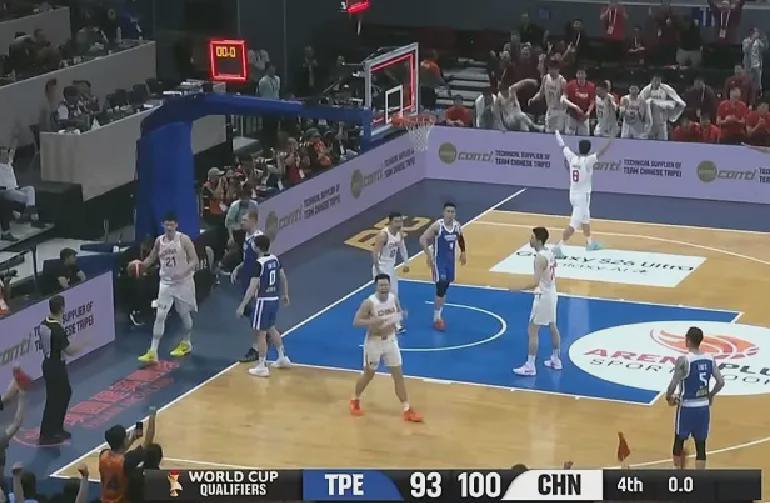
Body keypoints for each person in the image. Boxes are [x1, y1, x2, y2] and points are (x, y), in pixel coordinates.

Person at [349, 274, 422, 422]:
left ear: (389, 286)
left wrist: (402, 316)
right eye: (381, 285)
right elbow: (356, 322)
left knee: (398, 375)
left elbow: (398, 312)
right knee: (368, 375)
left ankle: (407, 409)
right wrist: (372, 321)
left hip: (390, 341)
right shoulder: (369, 303)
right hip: (374, 343)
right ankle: (355, 399)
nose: (384, 288)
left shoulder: (393, 298)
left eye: (386, 285)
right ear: (376, 286)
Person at [138, 213, 199, 363]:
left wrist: (183, 272)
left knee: (184, 315)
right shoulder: (159, 241)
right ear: (162, 225)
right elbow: (152, 257)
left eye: (172, 225)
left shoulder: (184, 240)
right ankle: (153, 351)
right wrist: (140, 265)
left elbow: (194, 260)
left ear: (176, 224)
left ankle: (186, 342)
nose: (169, 228)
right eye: (167, 225)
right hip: (166, 283)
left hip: (183, 282)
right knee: (160, 315)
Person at [664, 326, 725, 470]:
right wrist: (711, 395)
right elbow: (721, 382)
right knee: (701, 446)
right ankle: (700, 478)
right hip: (703, 408)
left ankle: (677, 474)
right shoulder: (710, 359)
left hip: (686, 408)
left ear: (688, 340)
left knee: (679, 441)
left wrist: (668, 396)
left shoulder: (684, 360)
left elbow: (673, 383)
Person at [552, 131, 613, 259]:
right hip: (582, 198)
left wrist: (557, 133)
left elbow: (562, 145)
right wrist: (610, 140)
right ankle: (558, 247)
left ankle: (589, 243)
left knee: (586, 219)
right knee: (573, 225)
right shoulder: (588, 161)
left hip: (574, 194)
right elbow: (601, 152)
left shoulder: (572, 157)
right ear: (589, 149)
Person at [236, 235, 291, 377]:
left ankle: (261, 366)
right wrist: (285, 294)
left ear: (258, 247)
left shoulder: (259, 263)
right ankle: (282, 357)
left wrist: (242, 305)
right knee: (271, 328)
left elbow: (252, 286)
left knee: (261, 333)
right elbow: (283, 277)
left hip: (263, 301)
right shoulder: (275, 259)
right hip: (274, 299)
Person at [513, 227, 562, 377]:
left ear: (539, 240)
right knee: (553, 326)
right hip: (552, 293)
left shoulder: (539, 258)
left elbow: (535, 282)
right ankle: (556, 360)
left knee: (532, 330)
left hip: (543, 296)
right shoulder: (549, 253)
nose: (530, 240)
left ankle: (530, 365)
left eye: (532, 237)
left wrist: (518, 288)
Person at [420, 202, 466, 331]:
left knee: (445, 288)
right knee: (441, 287)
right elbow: (422, 239)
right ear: (443, 212)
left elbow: (460, 238)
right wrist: (428, 255)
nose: (450, 214)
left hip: (450, 262)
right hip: (438, 262)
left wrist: (463, 252)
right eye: (448, 211)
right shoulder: (437, 226)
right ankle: (437, 319)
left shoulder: (457, 226)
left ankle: (439, 315)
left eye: (452, 212)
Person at [99, 408, 157, 503]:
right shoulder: (127, 460)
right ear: (123, 441)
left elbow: (118, 451)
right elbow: (148, 443)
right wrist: (152, 414)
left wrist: (132, 439)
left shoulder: (103, 455)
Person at [232, 210, 265, 362]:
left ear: (253, 221)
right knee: (250, 312)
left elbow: (262, 261)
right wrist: (238, 267)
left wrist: (258, 285)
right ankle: (267, 331)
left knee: (254, 316)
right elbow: (248, 257)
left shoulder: (258, 239)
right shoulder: (247, 236)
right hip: (246, 277)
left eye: (244, 220)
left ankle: (256, 348)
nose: (241, 222)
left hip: (254, 280)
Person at [372, 212, 410, 333]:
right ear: (390, 222)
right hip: (382, 269)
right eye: (396, 221)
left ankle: (394, 323)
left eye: (400, 221)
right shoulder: (383, 235)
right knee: (386, 297)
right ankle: (392, 323)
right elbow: (375, 253)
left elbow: (403, 248)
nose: (399, 224)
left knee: (394, 295)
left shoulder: (400, 233)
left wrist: (406, 262)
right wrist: (378, 272)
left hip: (391, 268)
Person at [530, 62, 567, 133]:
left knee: (558, 133)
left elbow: (565, 95)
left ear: (558, 70)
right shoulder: (545, 78)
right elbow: (541, 93)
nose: (551, 71)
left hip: (559, 110)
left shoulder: (562, 80)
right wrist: (534, 99)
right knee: (548, 132)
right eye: (549, 69)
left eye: (553, 69)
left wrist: (563, 99)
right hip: (549, 110)